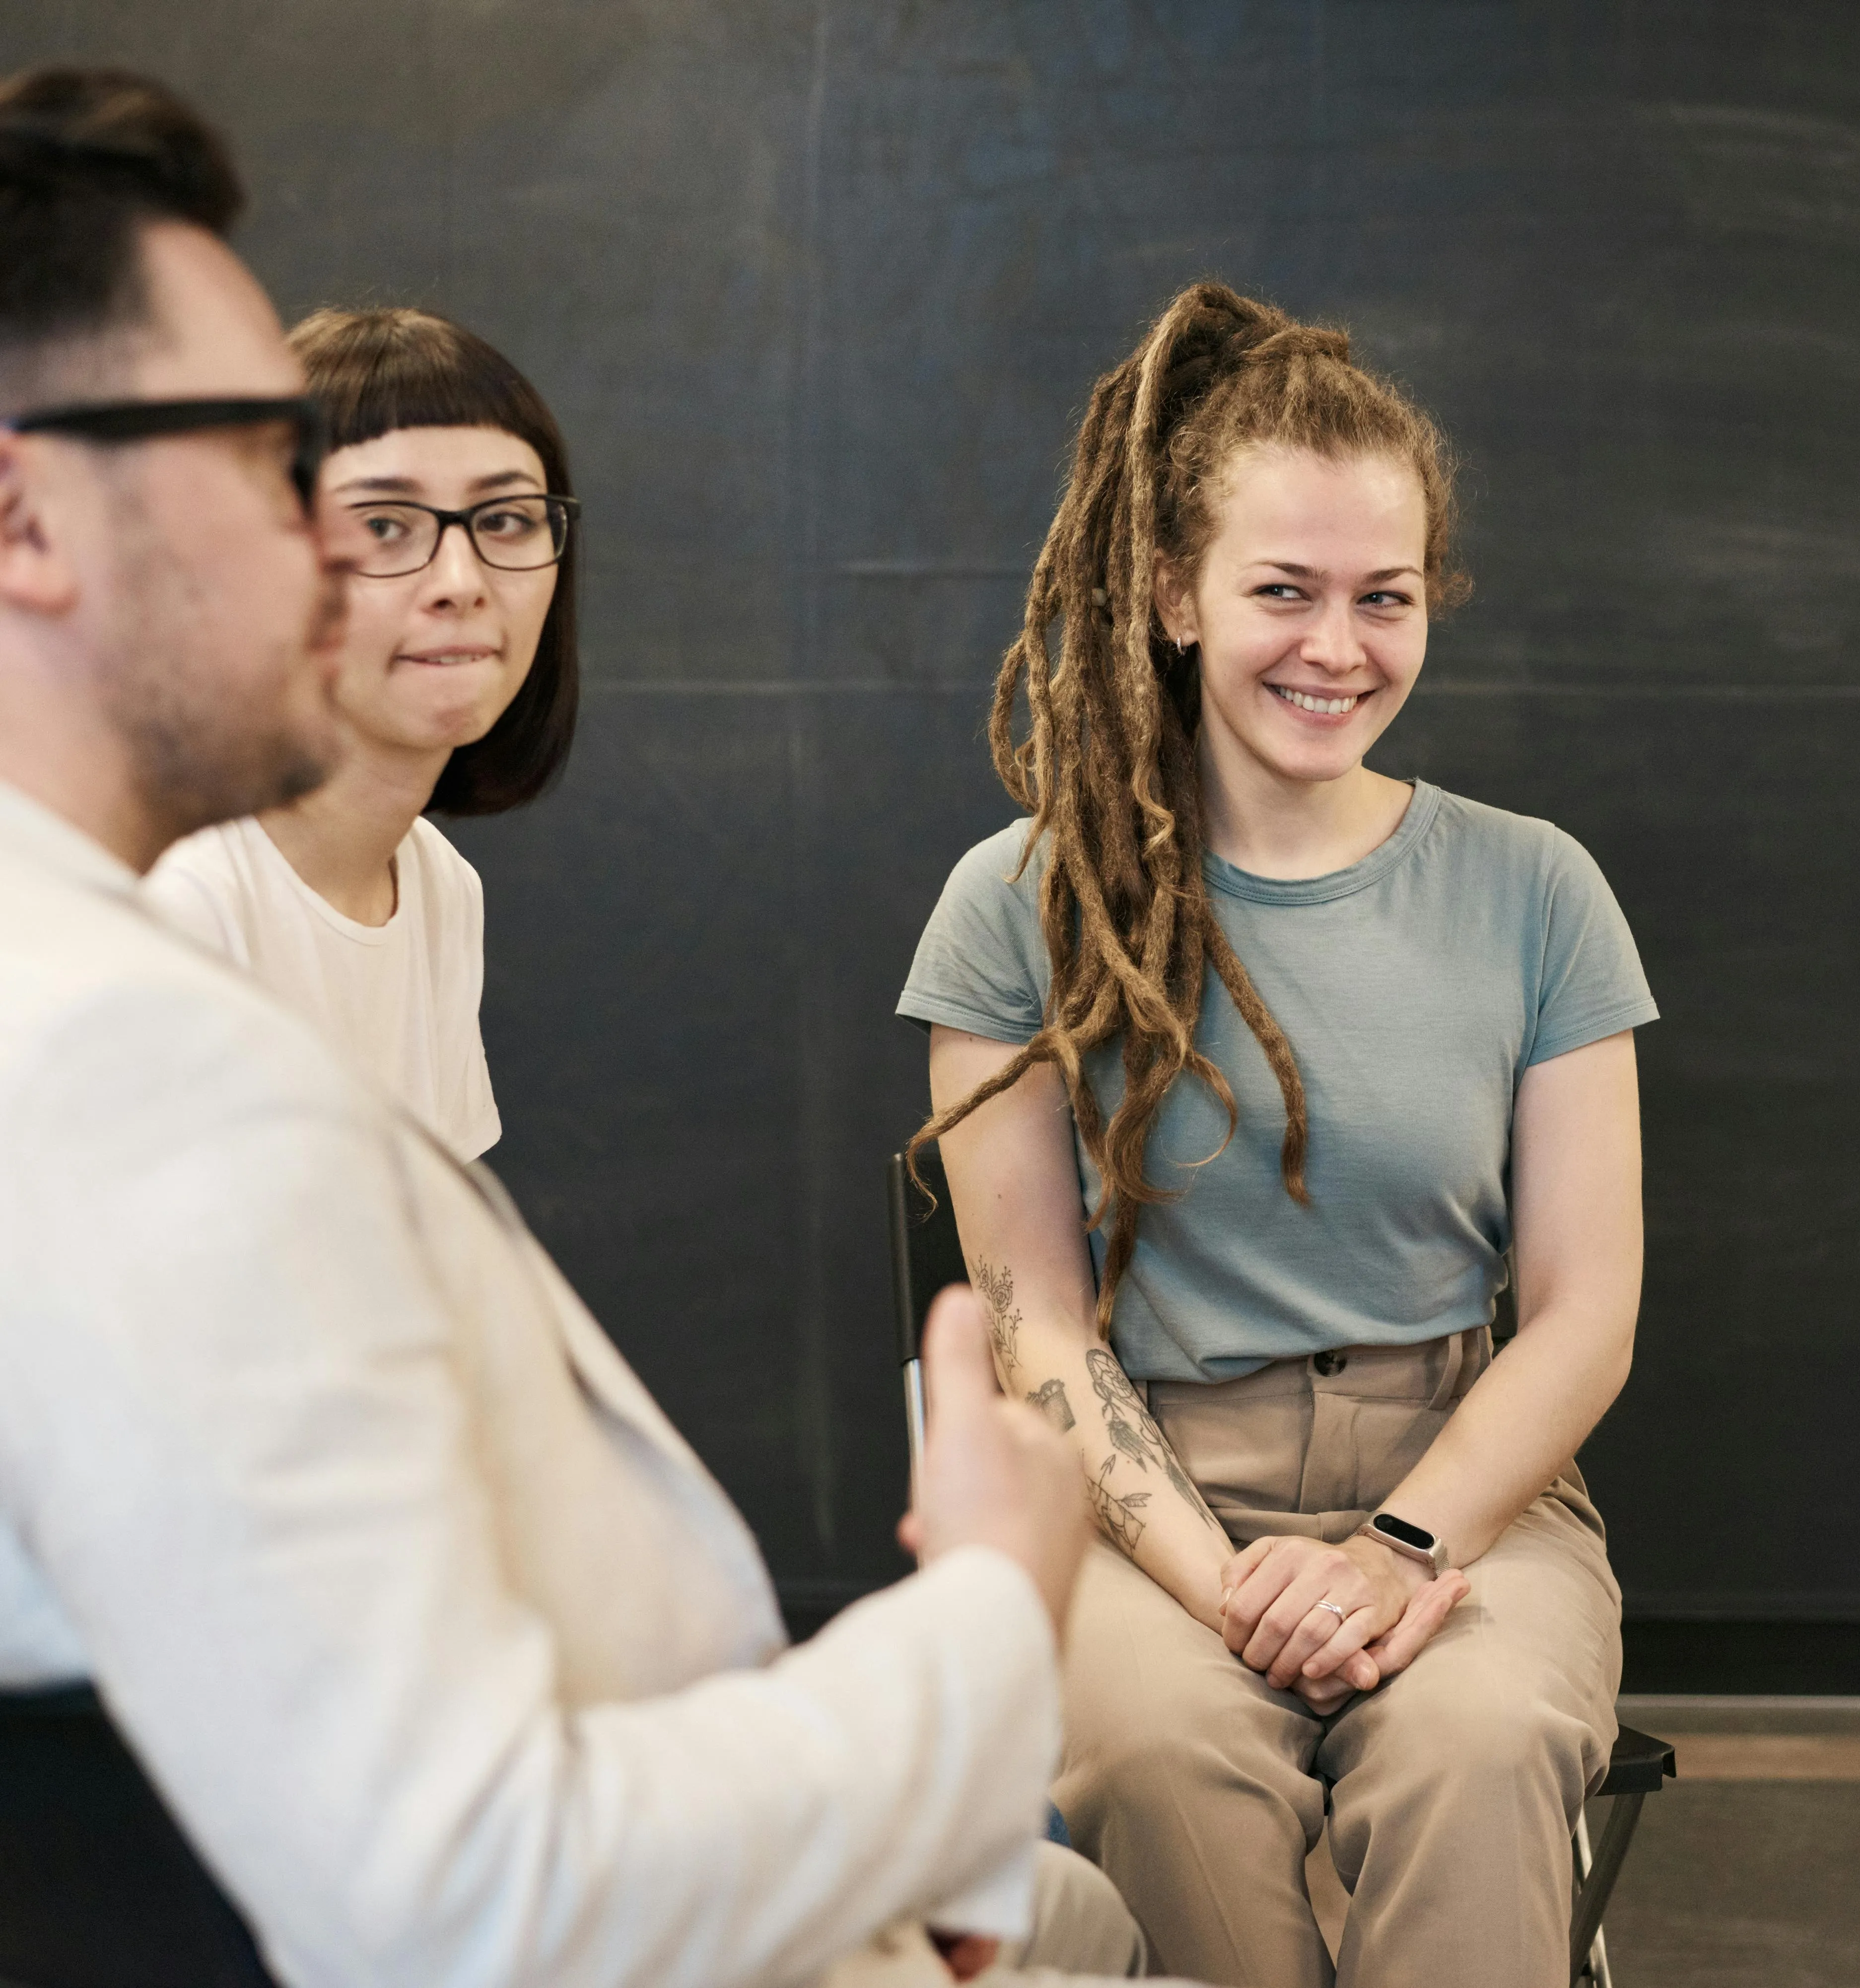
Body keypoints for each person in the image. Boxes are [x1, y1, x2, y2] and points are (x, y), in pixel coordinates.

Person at [0, 65, 1150, 1988]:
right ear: (27, 517)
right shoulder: (134, 1054)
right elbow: (465, 1886)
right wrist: (981, 1616)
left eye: (500, 518)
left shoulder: (175, 982)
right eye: (268, 466)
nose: (352, 562)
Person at [899, 281, 1655, 1988]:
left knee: (1469, 1750)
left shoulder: (1540, 891)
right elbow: (1035, 1324)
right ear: (1173, 594)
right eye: (1284, 591)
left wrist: (1403, 1547)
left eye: (1385, 598)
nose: (1340, 646)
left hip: (1471, 1480)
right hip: (1144, 1495)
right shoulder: (1016, 909)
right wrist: (1226, 1581)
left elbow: (1587, 1307)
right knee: (1165, 1755)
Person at [145, 306, 579, 1159]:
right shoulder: (180, 894)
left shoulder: (438, 885)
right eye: (383, 526)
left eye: (504, 521)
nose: (461, 582)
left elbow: (424, 1258)